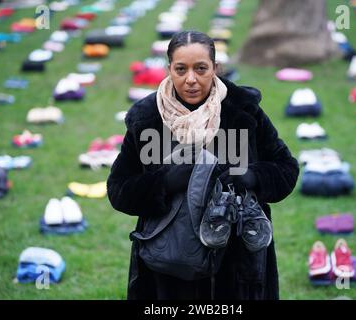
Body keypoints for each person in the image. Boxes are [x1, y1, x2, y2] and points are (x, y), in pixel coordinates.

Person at [107, 30, 299, 300]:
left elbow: (287, 168)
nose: (191, 80)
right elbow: (118, 190)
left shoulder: (243, 110)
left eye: (201, 68)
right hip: (167, 265)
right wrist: (164, 182)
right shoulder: (146, 118)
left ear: (215, 68)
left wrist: (252, 176)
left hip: (237, 264)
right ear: (169, 69)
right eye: (181, 69)